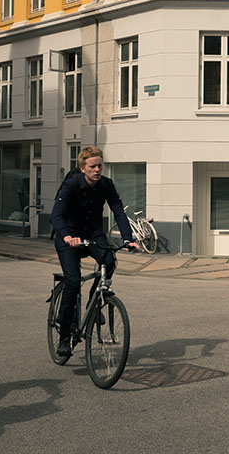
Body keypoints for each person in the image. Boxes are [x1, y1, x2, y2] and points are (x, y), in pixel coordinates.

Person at [50, 146, 140, 357]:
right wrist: (66, 236)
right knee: (73, 281)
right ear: (83, 168)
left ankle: (94, 301)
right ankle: (64, 338)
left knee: (109, 260)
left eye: (100, 165)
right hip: (69, 236)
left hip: (92, 233)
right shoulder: (71, 184)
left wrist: (128, 239)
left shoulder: (106, 184)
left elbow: (118, 211)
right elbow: (56, 215)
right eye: (93, 166)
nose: (97, 170)